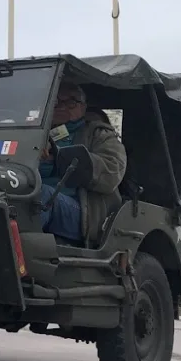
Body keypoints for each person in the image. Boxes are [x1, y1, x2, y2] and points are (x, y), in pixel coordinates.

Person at [38, 81, 127, 244]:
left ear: (83, 107)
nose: (62, 106)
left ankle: (12, 249)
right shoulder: (39, 133)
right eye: (57, 101)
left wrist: (64, 158)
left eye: (71, 102)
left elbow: (112, 171)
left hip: (83, 212)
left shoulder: (99, 134)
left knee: (40, 194)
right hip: (42, 201)